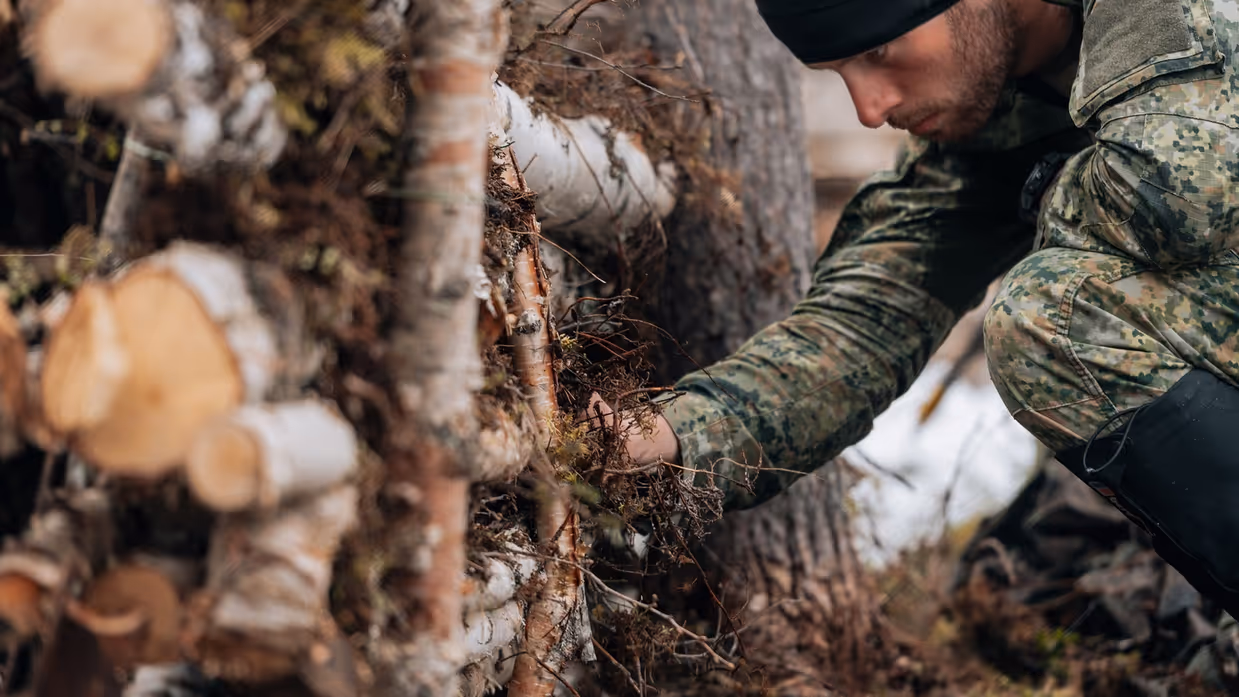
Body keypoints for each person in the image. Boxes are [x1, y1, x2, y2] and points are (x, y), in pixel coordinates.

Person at [594, 0, 1239, 622]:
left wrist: (1043, 187)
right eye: (839, 75)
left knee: (1058, 320)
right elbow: (868, 319)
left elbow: (1175, 195)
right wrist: (684, 433)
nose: (870, 109)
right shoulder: (1003, 111)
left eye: (879, 51)